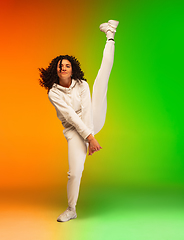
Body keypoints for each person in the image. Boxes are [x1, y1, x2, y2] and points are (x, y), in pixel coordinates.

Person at [39, 20, 119, 222]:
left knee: (102, 78)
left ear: (72, 69)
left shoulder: (81, 84)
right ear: (55, 71)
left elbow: (84, 112)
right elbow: (71, 117)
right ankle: (71, 209)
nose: (63, 68)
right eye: (60, 66)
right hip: (74, 131)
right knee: (74, 173)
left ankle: (110, 35)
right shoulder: (53, 93)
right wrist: (88, 138)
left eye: (67, 65)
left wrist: (91, 136)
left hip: (92, 119)